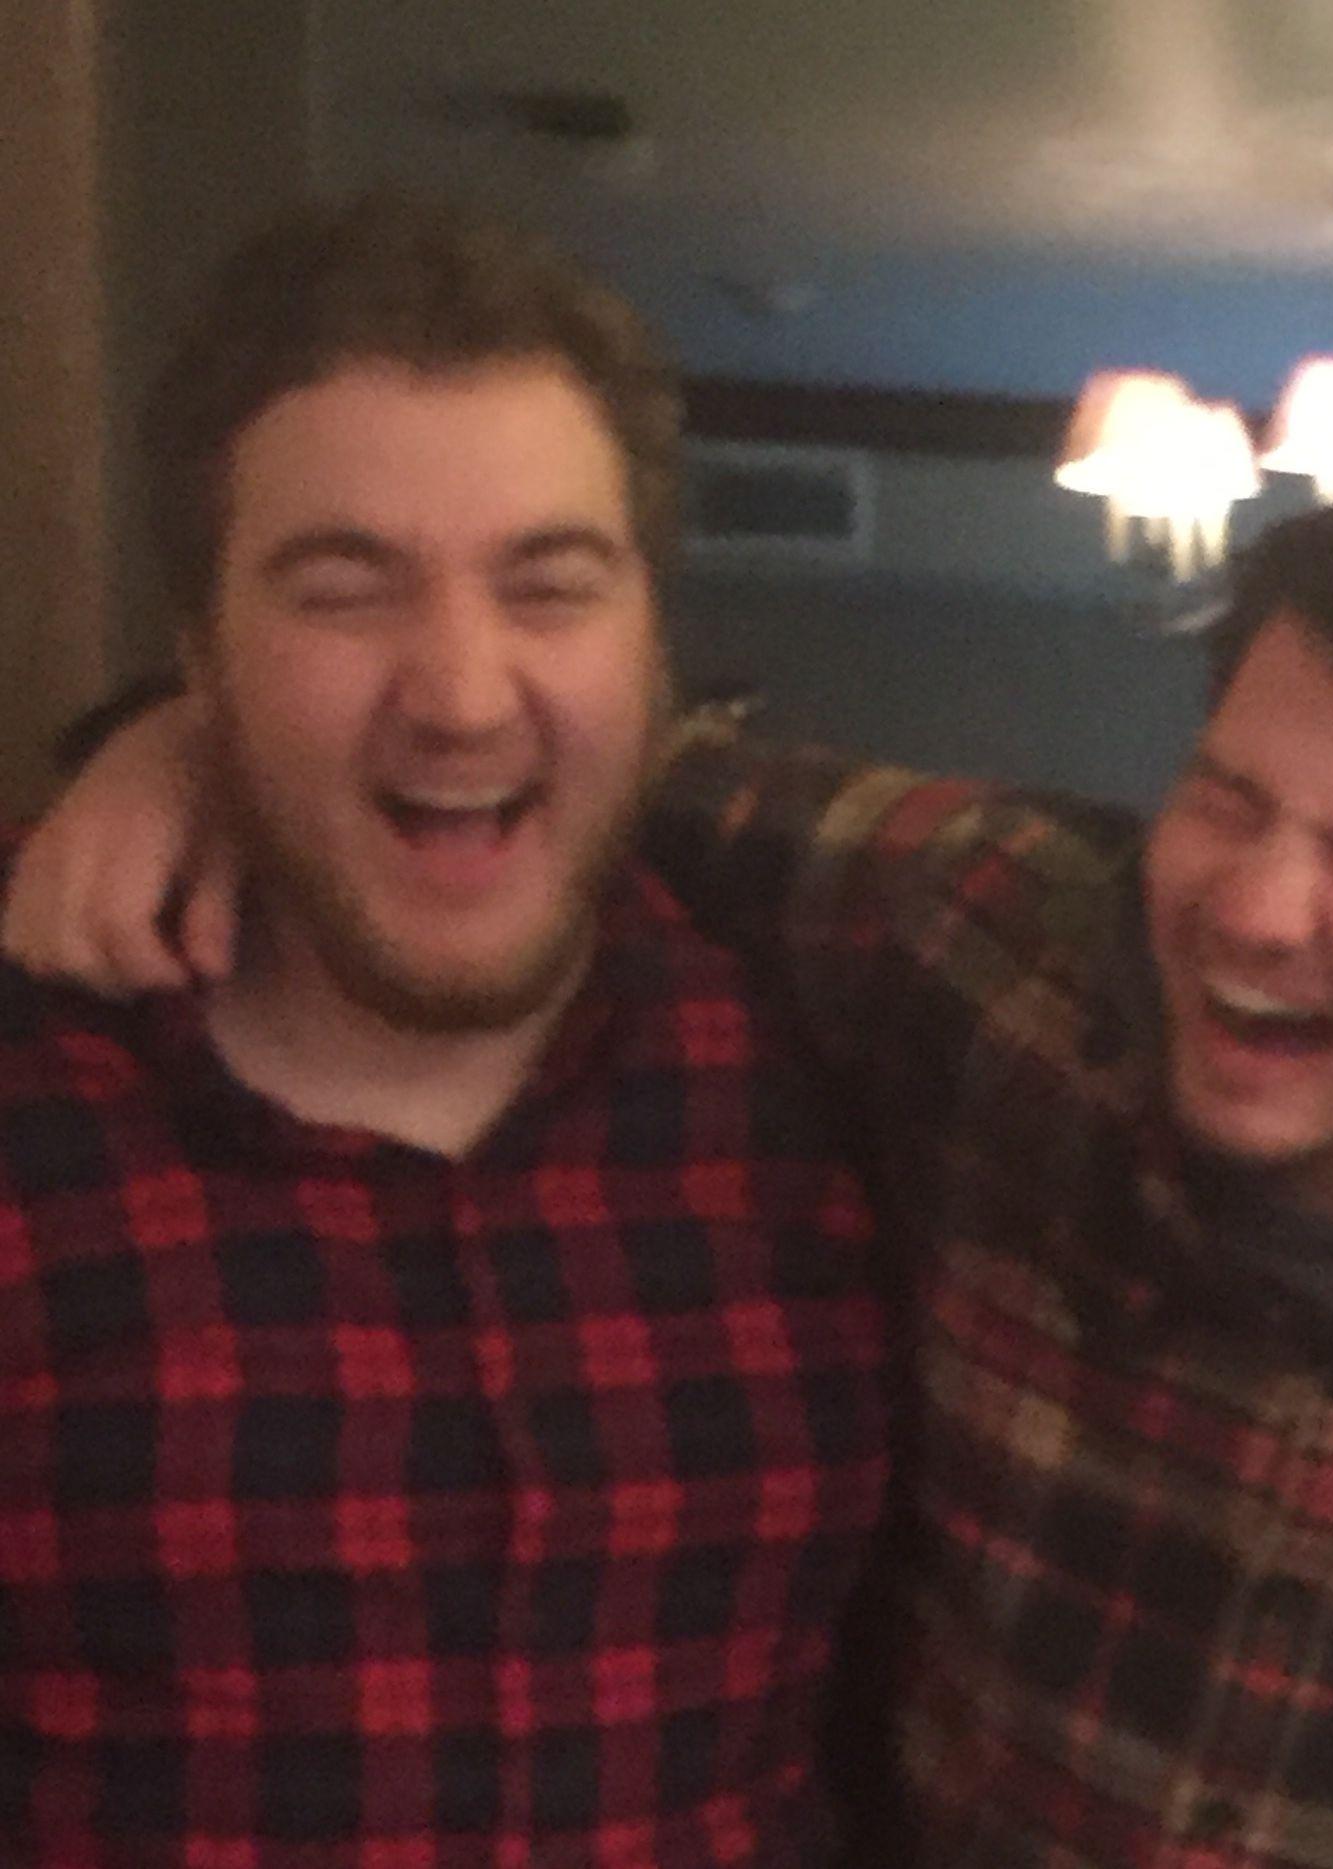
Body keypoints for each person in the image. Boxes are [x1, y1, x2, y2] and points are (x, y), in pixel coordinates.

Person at [16, 428, 1333, 1858]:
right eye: (1226, 796)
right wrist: (188, 736)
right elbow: (551, 762)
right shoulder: (987, 949)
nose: (1249, 905)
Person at [0, 195, 894, 1865]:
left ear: (652, 643)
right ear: (201, 654)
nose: (463, 693)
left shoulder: (838, 1064)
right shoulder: (37, 1086)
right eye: (345, 594)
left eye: (550, 588)